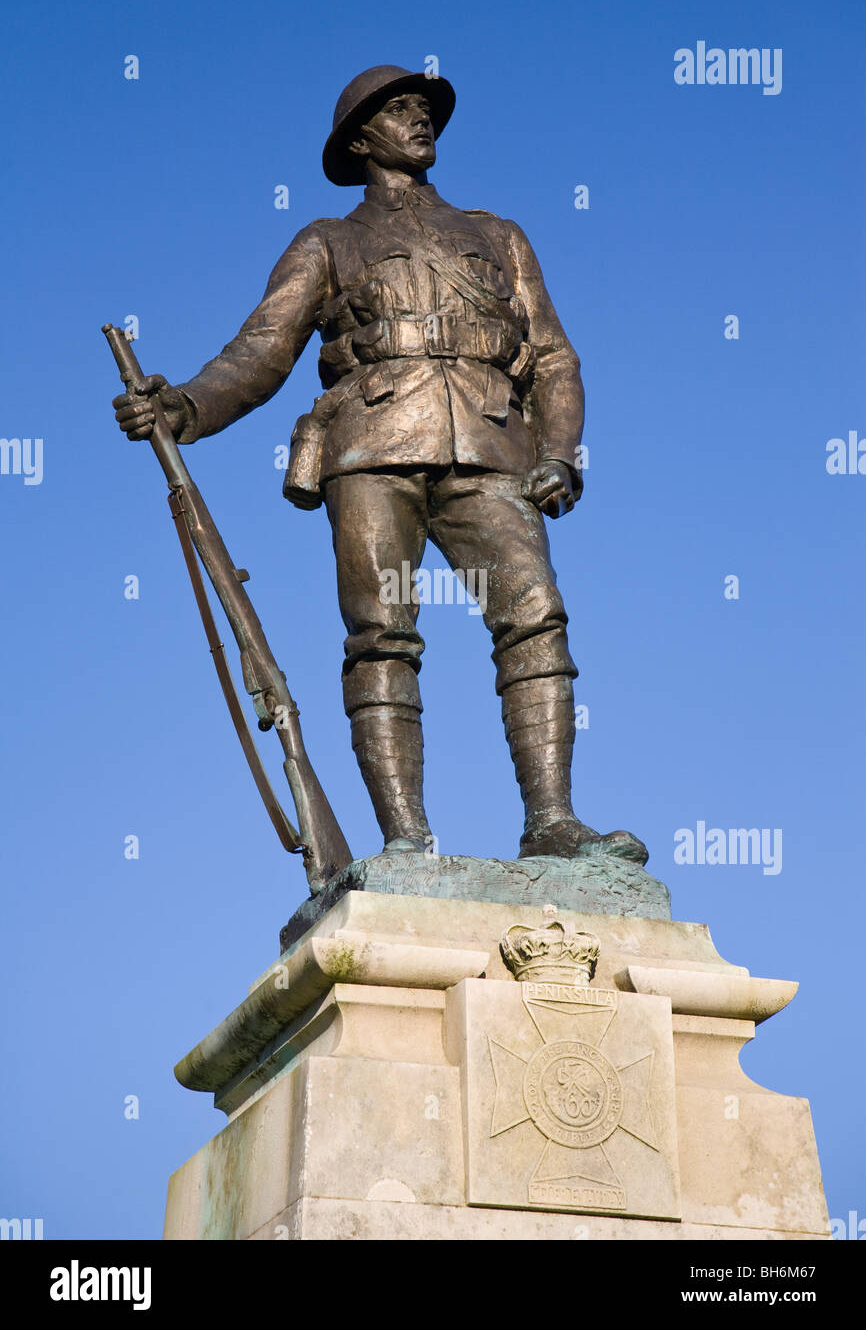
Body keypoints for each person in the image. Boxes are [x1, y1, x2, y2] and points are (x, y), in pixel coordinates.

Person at [114, 65, 646, 864]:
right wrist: (184, 407)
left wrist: (562, 453)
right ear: (361, 140)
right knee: (381, 638)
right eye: (399, 111)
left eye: (424, 110)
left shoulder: (499, 236)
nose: (419, 120)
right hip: (371, 447)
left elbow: (554, 359)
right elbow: (262, 354)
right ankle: (405, 841)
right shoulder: (328, 241)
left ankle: (553, 823)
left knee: (535, 617)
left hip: (493, 444)